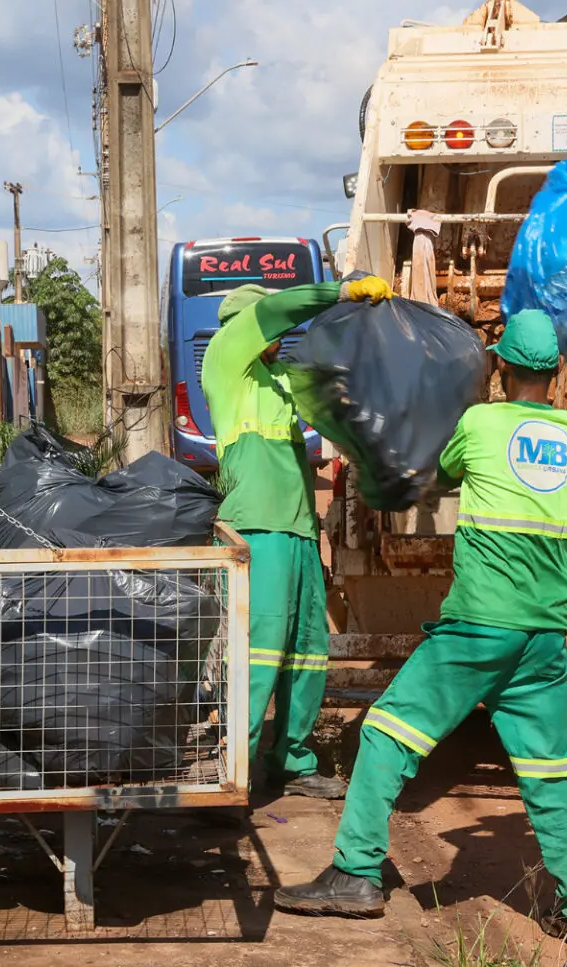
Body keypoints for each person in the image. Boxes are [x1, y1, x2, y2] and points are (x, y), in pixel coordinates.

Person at [273, 309, 567, 953]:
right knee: (556, 771)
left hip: (477, 629)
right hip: (541, 639)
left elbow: (434, 471)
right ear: (556, 377)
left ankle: (355, 873)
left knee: (388, 735)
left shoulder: (478, 424)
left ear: (500, 369)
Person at [201, 271, 393, 799]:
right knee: (258, 652)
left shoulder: (282, 379)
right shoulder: (226, 359)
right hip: (255, 533)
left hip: (300, 536)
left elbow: (338, 402)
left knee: (308, 652)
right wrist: (341, 290)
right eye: (269, 327)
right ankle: (231, 773)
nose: (279, 337)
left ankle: (293, 758)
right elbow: (278, 311)